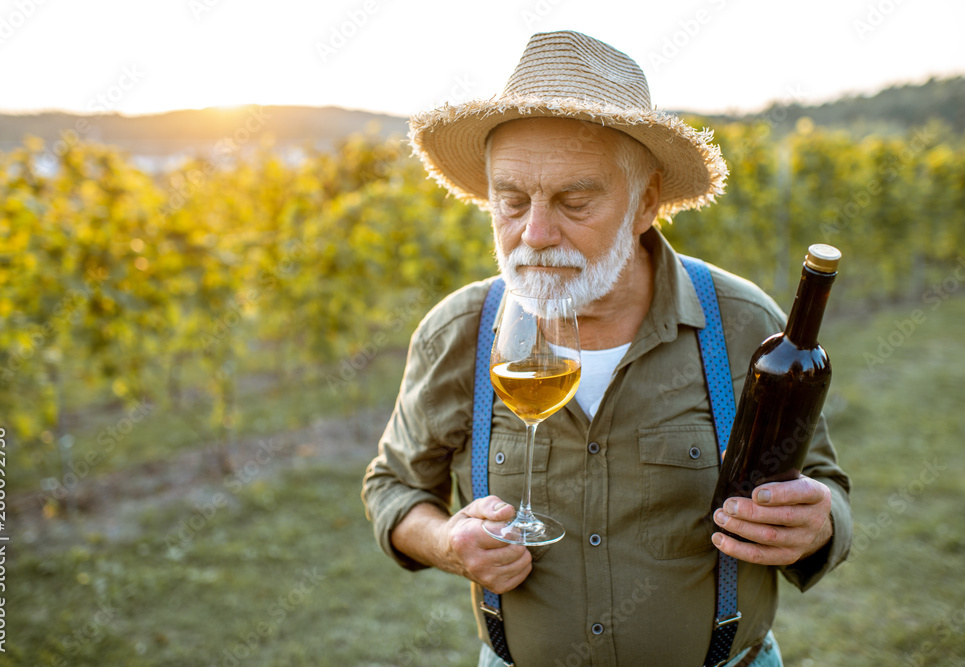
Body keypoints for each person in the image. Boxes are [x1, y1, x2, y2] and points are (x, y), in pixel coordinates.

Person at [362, 30, 851, 666]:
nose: (534, 234)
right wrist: (447, 540)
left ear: (645, 202)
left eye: (574, 200)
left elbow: (822, 485)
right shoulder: (460, 329)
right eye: (511, 200)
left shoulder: (741, 323)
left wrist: (820, 520)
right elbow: (394, 488)